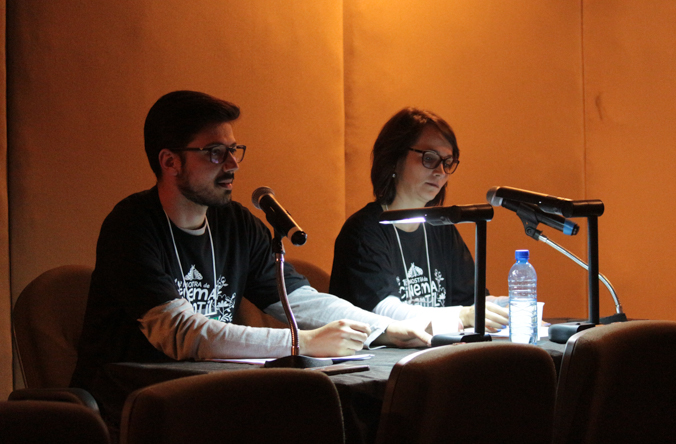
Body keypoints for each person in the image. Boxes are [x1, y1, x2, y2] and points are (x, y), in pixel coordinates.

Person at [71, 91, 431, 434]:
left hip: (208, 400)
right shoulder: (131, 226)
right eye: (215, 153)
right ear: (170, 162)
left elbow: (299, 300)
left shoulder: (237, 223)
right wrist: (301, 343)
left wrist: (382, 328)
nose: (232, 165)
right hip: (134, 409)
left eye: (233, 150)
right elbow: (181, 334)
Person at [329, 107, 509, 333]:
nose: (441, 171)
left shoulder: (441, 226)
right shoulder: (363, 231)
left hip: (438, 350)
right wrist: (461, 315)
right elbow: (382, 310)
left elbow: (471, 302)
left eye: (448, 162)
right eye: (430, 158)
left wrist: (512, 307)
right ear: (394, 158)